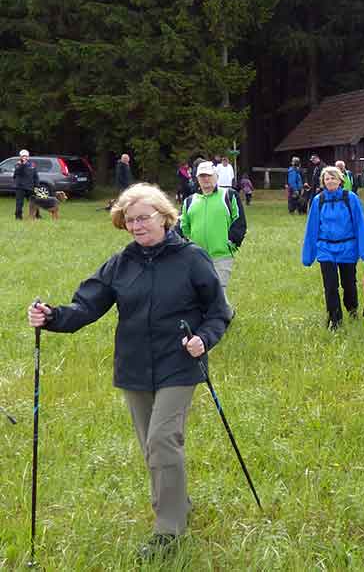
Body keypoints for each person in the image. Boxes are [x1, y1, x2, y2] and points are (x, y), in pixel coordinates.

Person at [27, 183, 230, 559]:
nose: (136, 226)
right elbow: (86, 306)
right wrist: (52, 316)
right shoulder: (121, 264)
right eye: (129, 220)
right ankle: (178, 504)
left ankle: (168, 530)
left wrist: (204, 338)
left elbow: (219, 311)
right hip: (134, 366)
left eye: (143, 218)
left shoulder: (192, 259)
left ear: (164, 217)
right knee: (150, 447)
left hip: (179, 363)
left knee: (163, 440)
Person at [302, 166, 364, 330]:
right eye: (327, 178)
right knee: (330, 285)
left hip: (348, 248)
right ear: (323, 182)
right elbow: (312, 229)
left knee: (349, 284)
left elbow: (359, 224)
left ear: (340, 180)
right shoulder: (318, 201)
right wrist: (308, 255)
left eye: (333, 178)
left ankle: (352, 308)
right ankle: (335, 319)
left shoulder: (351, 198)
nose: (330, 181)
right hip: (326, 249)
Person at [180, 160, 246, 319]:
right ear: (197, 179)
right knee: (200, 290)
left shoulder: (229, 195)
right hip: (197, 256)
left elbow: (239, 221)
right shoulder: (189, 201)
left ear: (215, 176)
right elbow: (184, 225)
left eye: (209, 176)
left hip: (221, 253)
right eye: (202, 177)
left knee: (218, 289)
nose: (206, 180)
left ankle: (218, 322)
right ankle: (226, 313)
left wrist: (232, 241)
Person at [13, 149, 38, 220]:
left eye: (26, 156)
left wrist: (37, 185)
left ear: (28, 156)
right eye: (23, 156)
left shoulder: (32, 164)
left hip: (30, 187)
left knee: (34, 202)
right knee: (19, 203)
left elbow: (35, 176)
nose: (25, 157)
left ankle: (36, 215)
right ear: (20, 157)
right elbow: (17, 172)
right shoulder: (17, 164)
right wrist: (22, 164)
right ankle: (18, 216)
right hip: (20, 187)